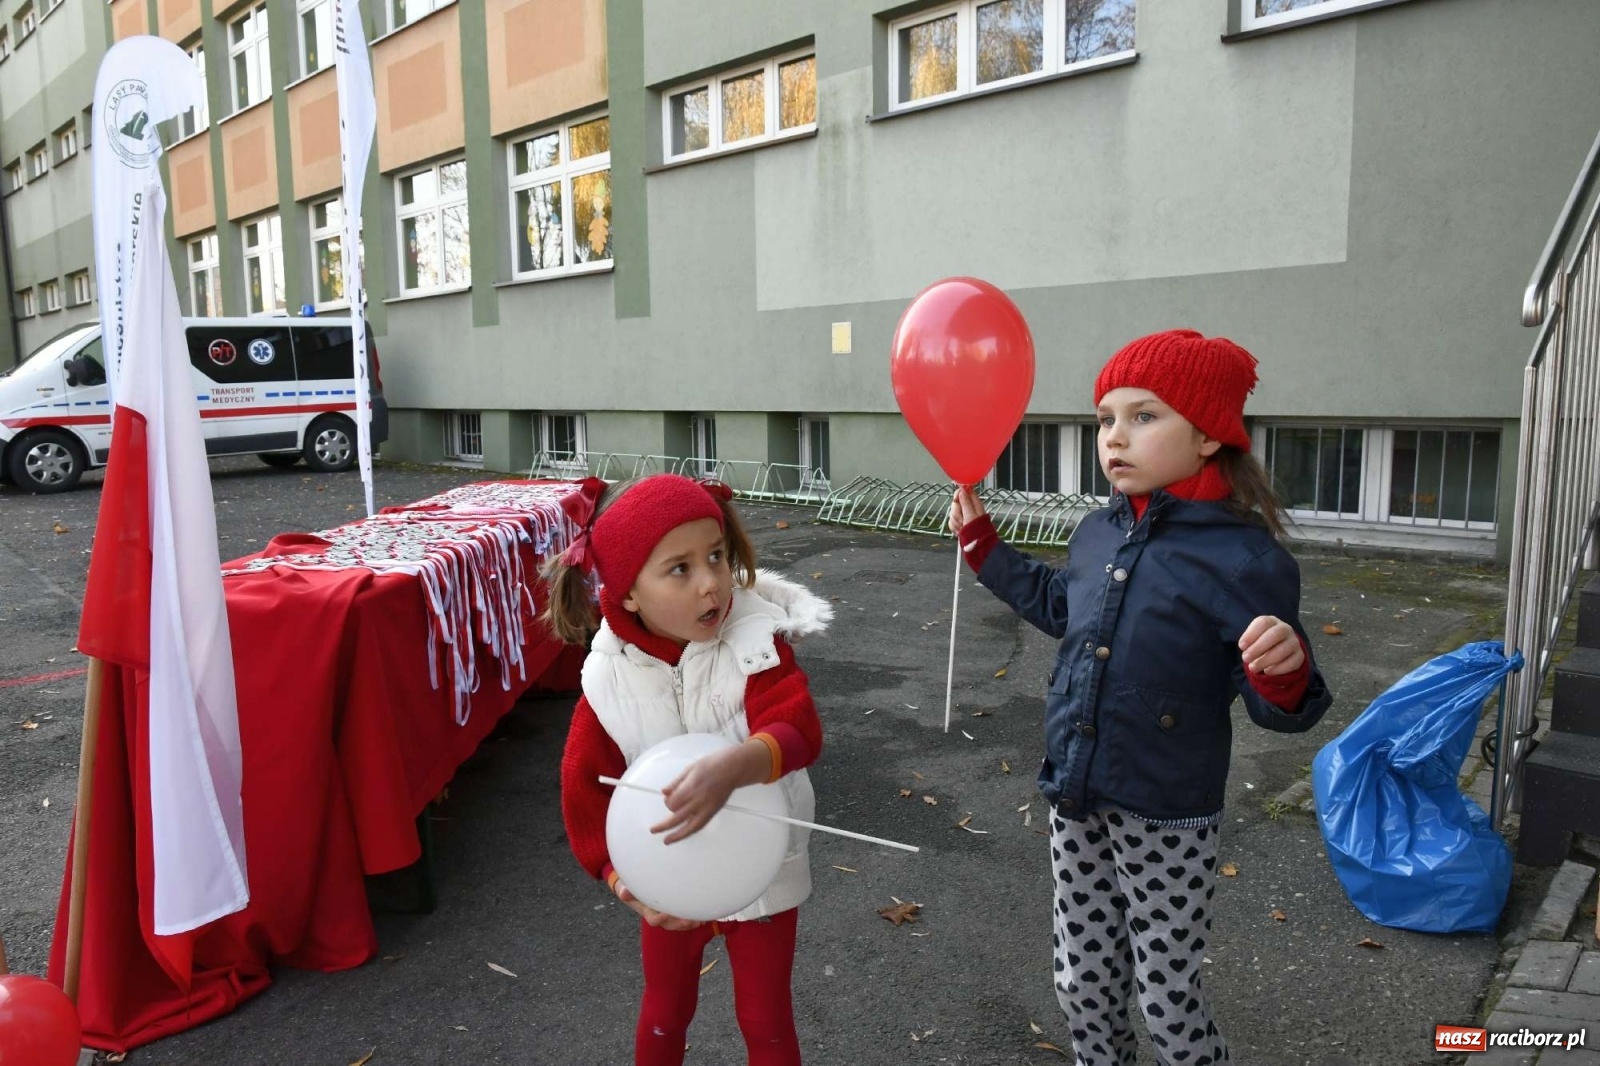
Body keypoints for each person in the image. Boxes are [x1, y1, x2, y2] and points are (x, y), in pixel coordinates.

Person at [948, 329, 1332, 1066]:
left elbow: (1281, 703)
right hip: (1078, 791)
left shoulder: (1246, 559)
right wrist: (984, 550)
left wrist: (1283, 672)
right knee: (1083, 981)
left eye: (1143, 416)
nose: (1115, 436)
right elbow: (1063, 605)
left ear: (1210, 437)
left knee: (1166, 996)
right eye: (1105, 418)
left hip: (1166, 811)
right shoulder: (1098, 532)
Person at [546, 474, 829, 1066]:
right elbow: (583, 791)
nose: (711, 583)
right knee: (665, 1011)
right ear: (627, 593)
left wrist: (739, 765)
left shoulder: (757, 643)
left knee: (765, 1017)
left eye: (717, 556)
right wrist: (625, 884)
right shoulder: (607, 680)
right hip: (667, 876)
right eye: (680, 568)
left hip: (763, 871)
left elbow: (798, 728)